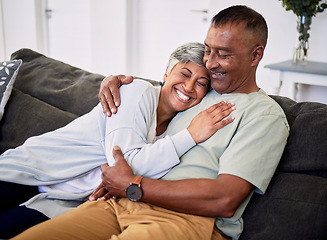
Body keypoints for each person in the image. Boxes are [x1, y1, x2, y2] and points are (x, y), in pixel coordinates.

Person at [12, 5, 290, 240]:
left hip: (183, 219)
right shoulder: (198, 93)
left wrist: (133, 185)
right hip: (118, 205)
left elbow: (224, 200)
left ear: (256, 55)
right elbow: (163, 92)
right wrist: (117, 83)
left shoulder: (264, 116)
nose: (211, 62)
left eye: (224, 54)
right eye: (208, 50)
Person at [0, 42, 235, 239]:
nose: (189, 86)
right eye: (184, 74)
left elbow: (129, 179)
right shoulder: (138, 92)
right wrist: (192, 135)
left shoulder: (179, 126)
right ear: (166, 73)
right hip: (28, 174)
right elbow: (124, 166)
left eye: (202, 83)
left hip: (60, 201)